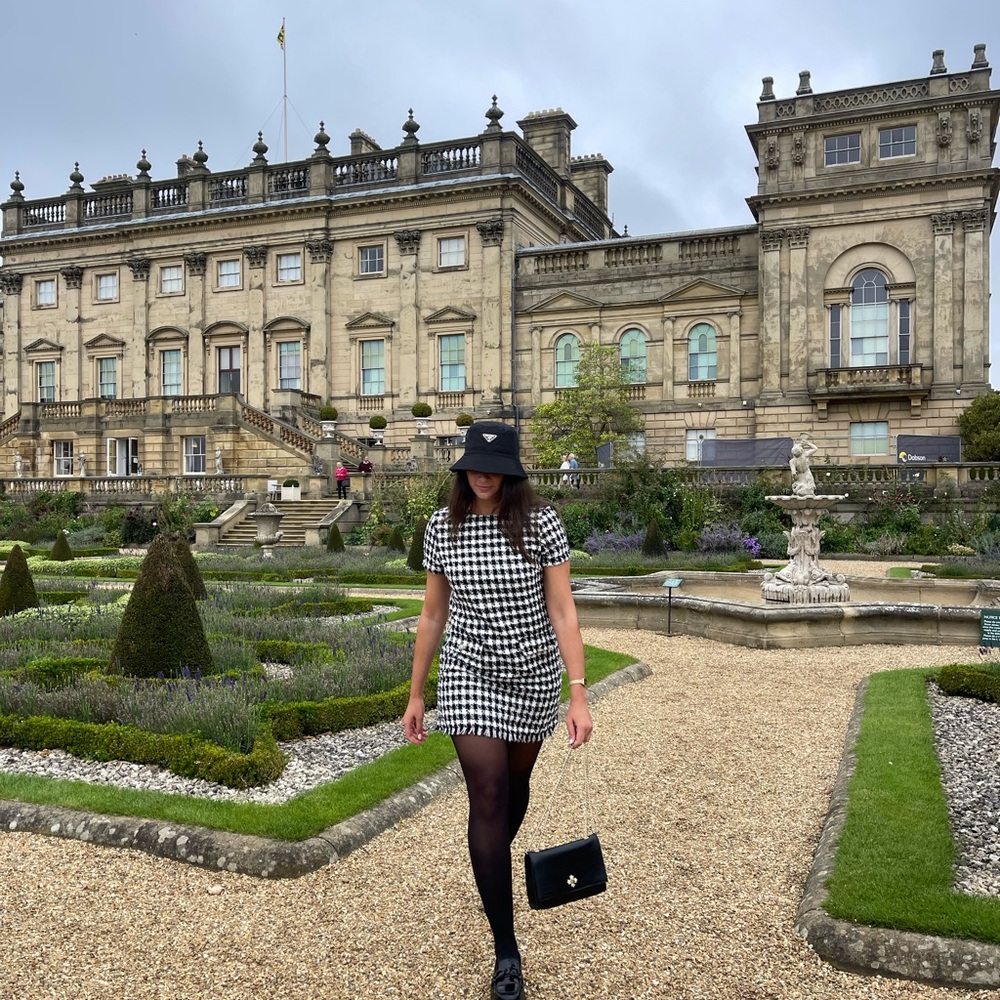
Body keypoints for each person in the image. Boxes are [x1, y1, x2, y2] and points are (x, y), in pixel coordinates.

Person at [403, 421, 592, 1000]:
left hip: (533, 675)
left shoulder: (541, 524)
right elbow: (433, 615)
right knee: (486, 795)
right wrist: (417, 691)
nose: (482, 475)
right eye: (474, 466)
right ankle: (506, 950)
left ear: (512, 472)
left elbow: (563, 612)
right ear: (463, 470)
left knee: (513, 789)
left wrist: (578, 690)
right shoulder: (443, 526)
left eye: (495, 467)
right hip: (469, 674)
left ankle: (492, 861)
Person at [789, 433, 818, 497]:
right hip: (807, 474)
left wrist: (795, 477)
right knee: (809, 490)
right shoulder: (805, 455)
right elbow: (815, 448)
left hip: (800, 476)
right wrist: (807, 443)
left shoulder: (792, 461)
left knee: (801, 490)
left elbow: (793, 473)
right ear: (801, 451)